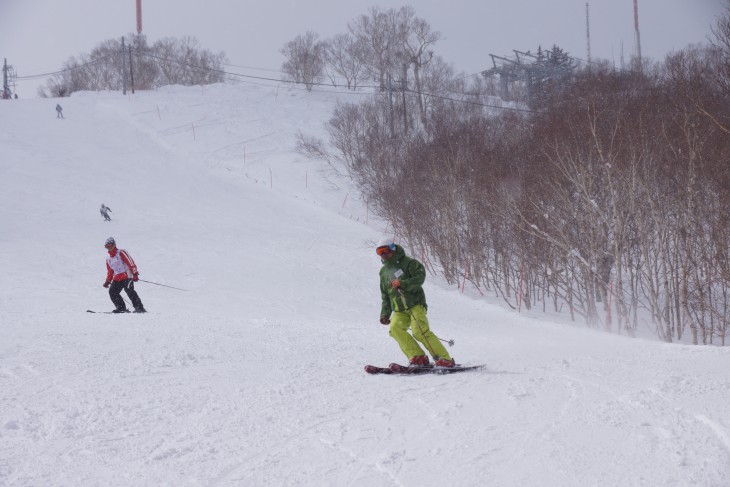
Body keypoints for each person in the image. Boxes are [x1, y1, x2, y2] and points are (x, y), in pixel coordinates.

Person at [376, 237, 455, 367]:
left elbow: (420, 277)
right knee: (395, 329)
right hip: (399, 309)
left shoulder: (409, 263)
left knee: (419, 332)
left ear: (393, 249)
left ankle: (445, 359)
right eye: (379, 252)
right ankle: (418, 357)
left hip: (415, 305)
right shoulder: (383, 272)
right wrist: (384, 314)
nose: (383, 254)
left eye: (385, 250)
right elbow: (385, 295)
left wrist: (403, 283)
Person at [102, 237, 146, 313]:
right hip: (117, 278)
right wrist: (107, 281)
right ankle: (121, 307)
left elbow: (130, 262)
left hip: (127, 276)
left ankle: (139, 308)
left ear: (114, 244)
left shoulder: (121, 252)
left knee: (129, 290)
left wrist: (134, 273)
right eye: (107, 246)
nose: (109, 248)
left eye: (110, 245)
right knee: (112, 291)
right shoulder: (108, 258)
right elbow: (110, 271)